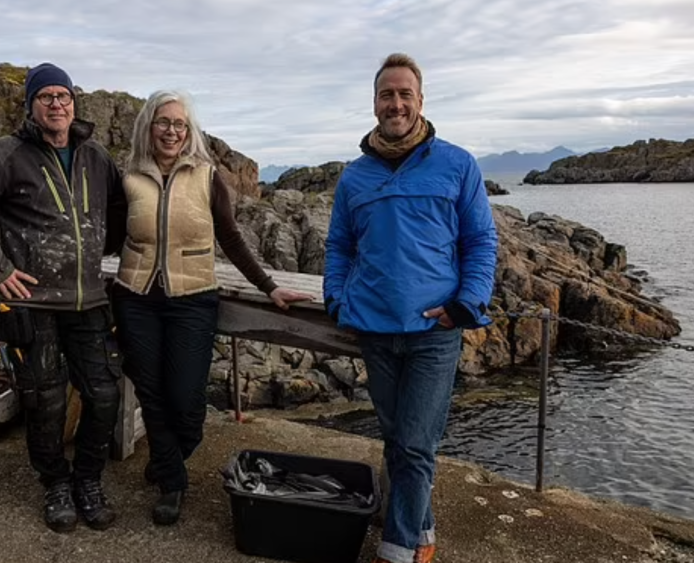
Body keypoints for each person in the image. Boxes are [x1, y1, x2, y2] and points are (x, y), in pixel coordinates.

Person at [0, 62, 126, 534]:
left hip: (89, 301)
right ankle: (55, 484)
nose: (57, 104)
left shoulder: (96, 156)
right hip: (33, 303)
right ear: (31, 105)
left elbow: (120, 208)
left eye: (64, 96)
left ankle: (88, 481)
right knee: (45, 402)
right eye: (47, 97)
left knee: (103, 395)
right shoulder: (5, 154)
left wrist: (107, 250)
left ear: (74, 103)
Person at [323, 53, 498, 563]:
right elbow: (339, 246)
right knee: (399, 441)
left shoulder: (457, 164)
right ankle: (421, 535)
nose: (395, 103)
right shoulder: (354, 177)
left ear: (421, 101)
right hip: (374, 329)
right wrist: (336, 296)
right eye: (386, 94)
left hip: (434, 333)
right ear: (374, 102)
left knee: (416, 446)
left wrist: (465, 304)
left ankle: (396, 551)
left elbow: (481, 241)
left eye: (405, 94)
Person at [111, 89, 313, 525]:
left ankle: (168, 456)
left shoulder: (206, 177)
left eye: (180, 124)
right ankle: (172, 482)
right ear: (149, 126)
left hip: (193, 300)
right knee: (151, 391)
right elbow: (107, 236)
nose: (171, 131)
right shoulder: (127, 176)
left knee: (186, 401)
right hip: (135, 297)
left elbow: (232, 238)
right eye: (163, 122)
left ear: (190, 131)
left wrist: (270, 287)